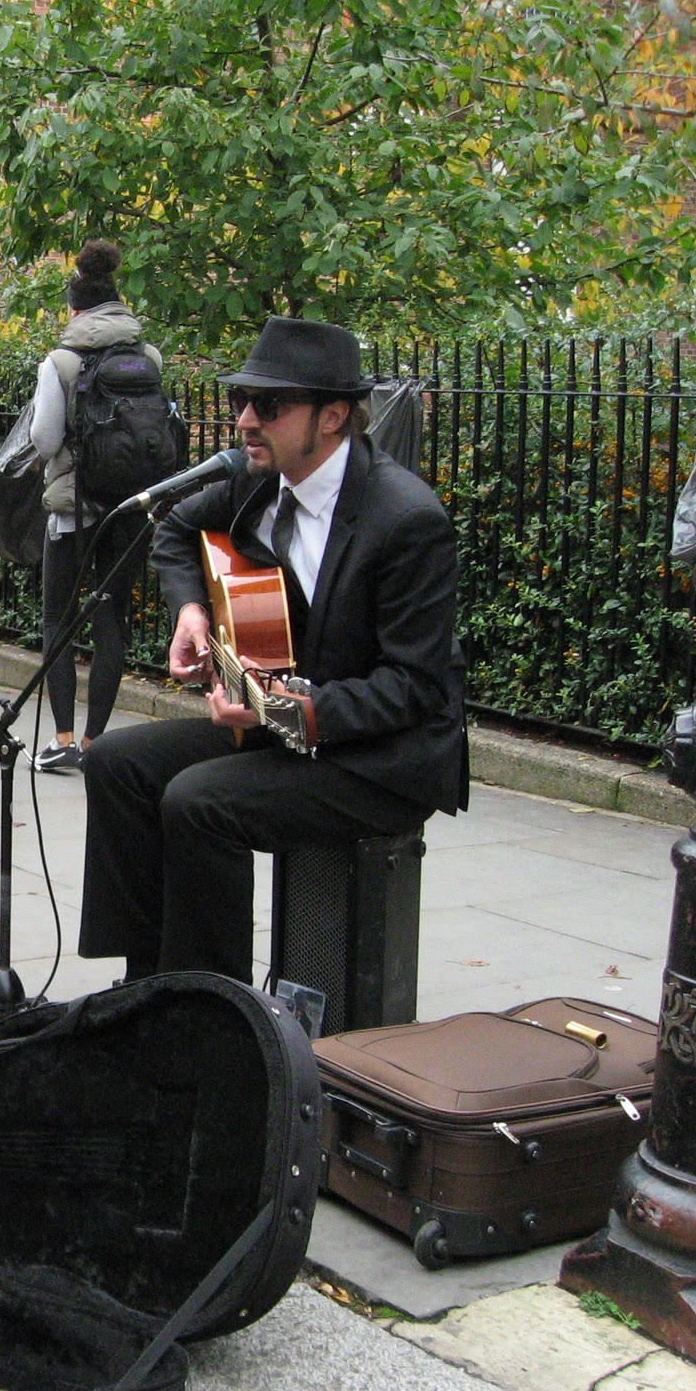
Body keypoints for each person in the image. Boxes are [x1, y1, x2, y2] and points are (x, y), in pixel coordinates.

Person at [78, 317, 469, 984]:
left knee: (200, 801)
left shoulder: (406, 519)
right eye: (241, 401)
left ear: (333, 417)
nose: (246, 421)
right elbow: (174, 530)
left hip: (380, 760)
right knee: (118, 764)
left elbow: (415, 687)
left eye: (270, 405)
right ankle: (149, 986)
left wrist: (291, 712)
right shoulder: (261, 481)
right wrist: (192, 610)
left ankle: (218, 1011)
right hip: (288, 725)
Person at [28, 239, 163, 773]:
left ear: (74, 310)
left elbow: (44, 439)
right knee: (112, 624)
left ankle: (62, 738)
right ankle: (94, 744)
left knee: (57, 621)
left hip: (72, 513)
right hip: (127, 513)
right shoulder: (148, 358)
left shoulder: (61, 361)